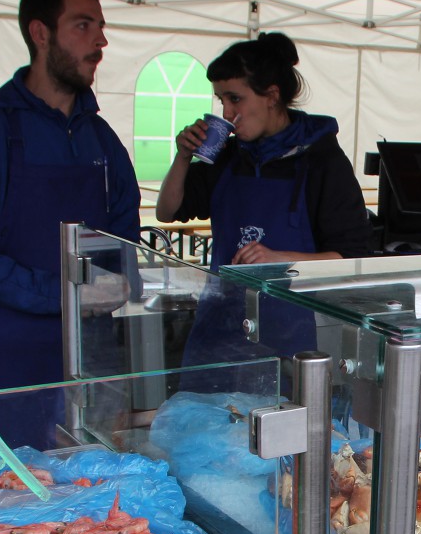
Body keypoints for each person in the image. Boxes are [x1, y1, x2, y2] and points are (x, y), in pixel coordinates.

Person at [0, 0, 140, 450]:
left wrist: (124, 279)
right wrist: (61, 293)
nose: (101, 41)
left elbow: (126, 234)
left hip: (94, 353)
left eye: (101, 27)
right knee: (17, 504)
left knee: (101, 497)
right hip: (15, 354)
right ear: (40, 33)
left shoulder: (102, 141)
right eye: (83, 26)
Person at [156, 32, 370, 381]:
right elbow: (168, 210)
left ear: (271, 96)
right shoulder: (228, 156)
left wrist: (280, 260)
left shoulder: (323, 161)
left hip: (294, 339)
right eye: (221, 100)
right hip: (221, 328)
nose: (227, 113)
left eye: (235, 99)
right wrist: (182, 157)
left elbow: (353, 259)